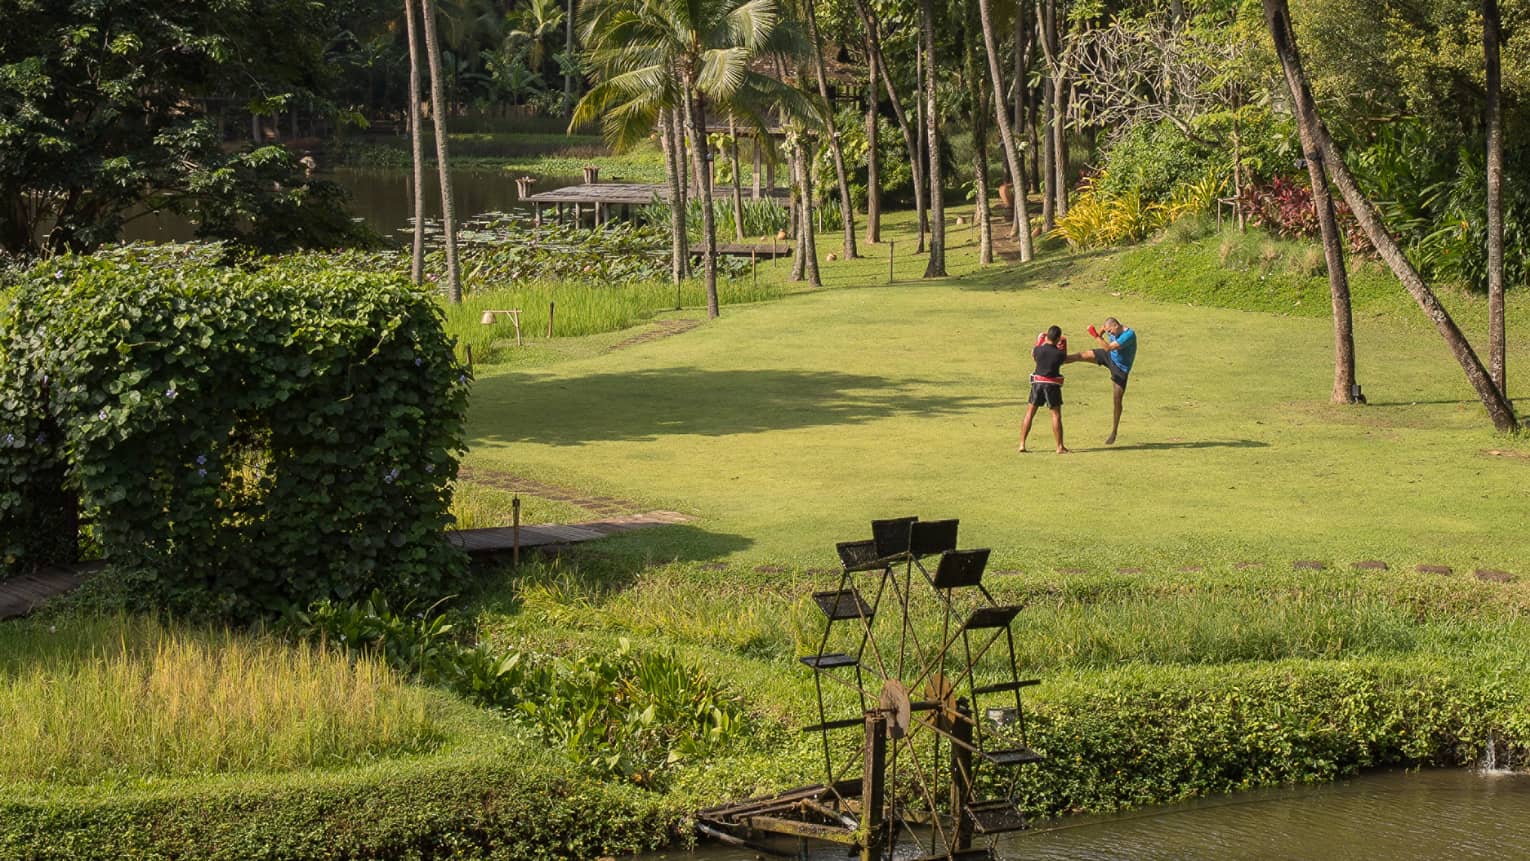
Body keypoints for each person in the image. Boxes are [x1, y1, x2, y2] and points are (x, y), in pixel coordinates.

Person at [1065, 316, 1137, 445]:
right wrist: (1100, 333)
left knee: (1117, 400)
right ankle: (1057, 360)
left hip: (1120, 368)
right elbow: (1104, 331)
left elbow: (1109, 347)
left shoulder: (1129, 335)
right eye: (1108, 331)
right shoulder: (1109, 328)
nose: (1109, 333)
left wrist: (1096, 336)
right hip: (1108, 356)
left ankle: (1114, 431)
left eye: (1111, 331)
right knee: (1081, 355)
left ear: (1117, 326)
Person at [1019, 326, 1068, 454]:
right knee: (1056, 415)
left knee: (1029, 414)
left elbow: (1034, 353)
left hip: (1037, 384)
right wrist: (1063, 344)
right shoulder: (1059, 353)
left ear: (1047, 337)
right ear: (1057, 338)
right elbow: (1064, 359)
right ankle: (1059, 447)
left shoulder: (1038, 350)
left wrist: (1041, 339)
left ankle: (1022, 444)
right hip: (1052, 386)